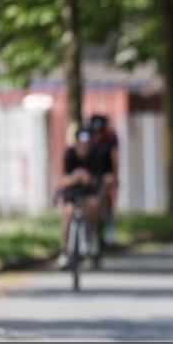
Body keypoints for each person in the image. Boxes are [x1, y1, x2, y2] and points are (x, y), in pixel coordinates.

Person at [57, 126, 104, 268]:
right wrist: (75, 178)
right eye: (82, 145)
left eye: (87, 145)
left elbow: (98, 180)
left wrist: (88, 179)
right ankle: (64, 251)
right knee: (68, 213)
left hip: (88, 192)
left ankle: (93, 239)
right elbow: (64, 179)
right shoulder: (69, 154)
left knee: (93, 205)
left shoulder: (96, 155)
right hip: (72, 191)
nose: (85, 148)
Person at [89, 114, 119, 244]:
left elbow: (114, 158)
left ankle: (110, 227)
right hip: (91, 173)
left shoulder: (110, 138)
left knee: (107, 198)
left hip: (106, 172)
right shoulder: (88, 138)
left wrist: (113, 175)